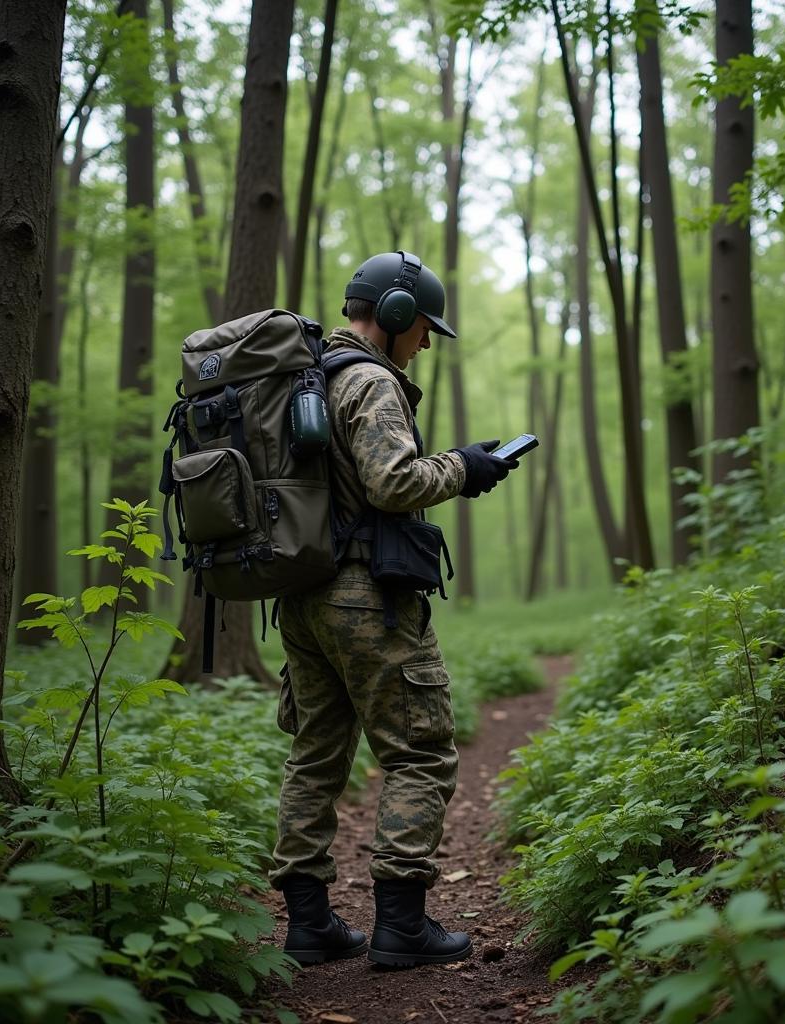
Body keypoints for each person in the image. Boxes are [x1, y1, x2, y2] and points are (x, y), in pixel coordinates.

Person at [269, 251, 518, 967]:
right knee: (419, 750)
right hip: (362, 598)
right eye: (423, 327)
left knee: (315, 754)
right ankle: (402, 926)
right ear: (397, 315)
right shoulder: (371, 381)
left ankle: (309, 924)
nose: (427, 342)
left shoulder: (303, 376)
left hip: (302, 593)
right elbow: (391, 482)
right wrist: (464, 467)